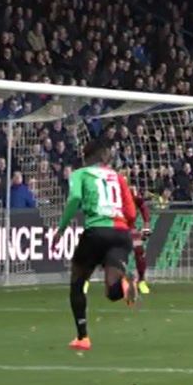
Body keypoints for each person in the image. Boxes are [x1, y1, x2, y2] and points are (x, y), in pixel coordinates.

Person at [50, 139, 138, 351]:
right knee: (112, 291)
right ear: (105, 156)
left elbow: (75, 199)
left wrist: (61, 229)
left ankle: (83, 337)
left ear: (85, 156)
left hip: (96, 232)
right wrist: (124, 226)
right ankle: (126, 284)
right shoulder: (118, 177)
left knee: (78, 283)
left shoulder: (80, 174)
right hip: (120, 234)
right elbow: (132, 213)